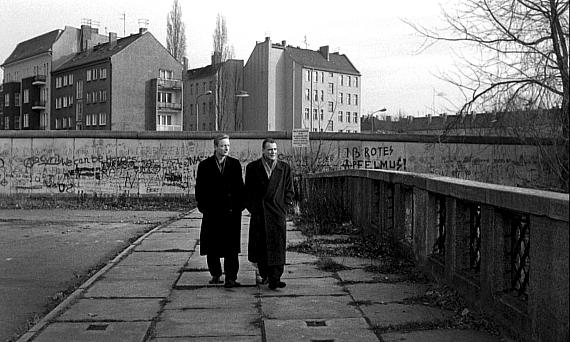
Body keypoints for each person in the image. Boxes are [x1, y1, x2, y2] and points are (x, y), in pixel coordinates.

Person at [195, 134, 245, 288]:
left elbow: (240, 189)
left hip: (231, 213)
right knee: (212, 246)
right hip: (212, 213)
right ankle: (216, 274)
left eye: (228, 145)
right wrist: (204, 208)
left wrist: (238, 208)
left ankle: (231, 277)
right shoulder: (205, 166)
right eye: (223, 145)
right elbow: (200, 189)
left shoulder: (235, 164)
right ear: (215, 147)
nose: (226, 148)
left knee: (231, 248)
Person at [245, 138, 295, 290]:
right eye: (269, 150)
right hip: (260, 214)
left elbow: (289, 191)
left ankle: (276, 277)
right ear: (263, 151)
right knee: (261, 246)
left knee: (277, 245)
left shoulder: (284, 168)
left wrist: (284, 208)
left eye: (274, 149)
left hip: (277, 213)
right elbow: (248, 191)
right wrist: (253, 208)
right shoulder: (253, 168)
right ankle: (265, 274)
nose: (273, 152)